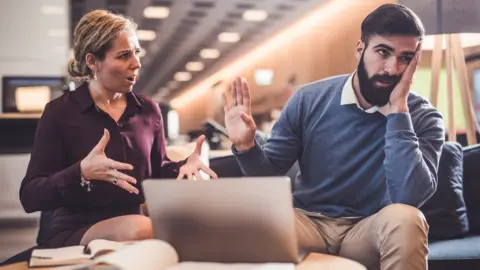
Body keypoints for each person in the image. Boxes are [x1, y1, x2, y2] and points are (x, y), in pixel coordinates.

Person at [223, 4, 444, 270]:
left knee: (408, 218)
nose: (392, 68)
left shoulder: (424, 117)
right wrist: (246, 145)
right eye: (383, 52)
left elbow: (409, 197)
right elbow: (269, 177)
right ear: (360, 49)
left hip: (368, 229)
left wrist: (397, 112)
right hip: (308, 222)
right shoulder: (308, 100)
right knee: (255, 216)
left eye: (405, 58)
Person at [19, 10, 217, 248]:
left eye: (136, 52)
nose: (136, 63)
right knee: (144, 229)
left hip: (135, 222)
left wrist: (183, 168)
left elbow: (158, 171)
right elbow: (30, 195)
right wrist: (81, 172)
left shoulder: (148, 110)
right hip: (77, 229)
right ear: (92, 61)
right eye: (124, 56)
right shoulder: (60, 112)